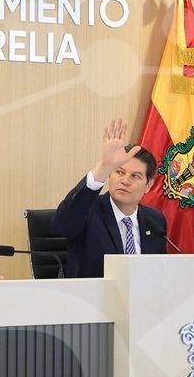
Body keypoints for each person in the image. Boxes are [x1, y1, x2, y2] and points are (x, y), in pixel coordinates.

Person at [50, 118, 167, 277]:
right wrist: (104, 166)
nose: (125, 181)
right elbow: (62, 225)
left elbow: (158, 272)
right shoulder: (88, 211)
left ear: (148, 185)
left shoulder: (154, 220)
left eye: (135, 176)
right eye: (119, 172)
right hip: (93, 293)